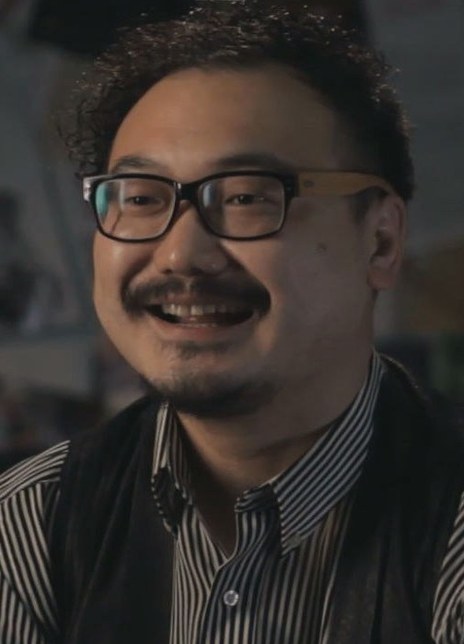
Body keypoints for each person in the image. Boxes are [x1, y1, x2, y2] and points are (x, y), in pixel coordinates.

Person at [0, 2, 462, 642]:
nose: (180, 254)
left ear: (380, 242)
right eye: (140, 198)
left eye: (246, 197)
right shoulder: (30, 525)